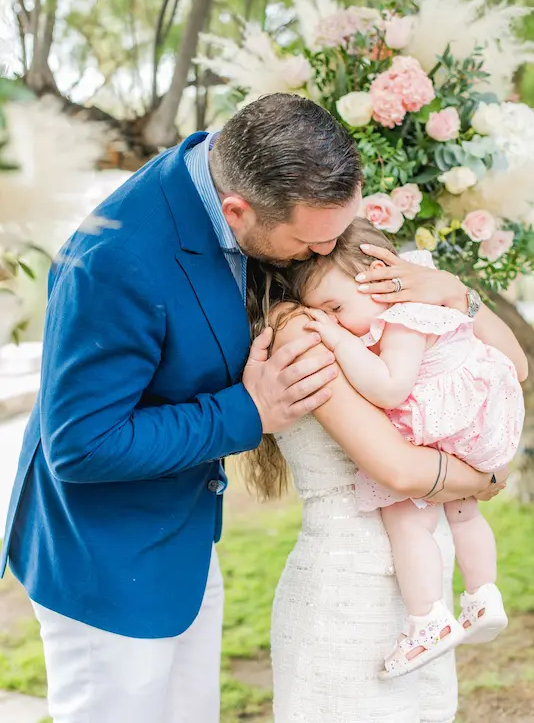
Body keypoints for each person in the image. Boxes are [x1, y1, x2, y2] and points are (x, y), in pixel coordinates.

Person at [0, 94, 364, 723]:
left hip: (183, 539)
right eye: (311, 245)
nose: (323, 254)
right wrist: (250, 410)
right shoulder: (116, 263)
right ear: (236, 211)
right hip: (106, 567)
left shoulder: (232, 168)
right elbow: (81, 445)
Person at [244, 222, 510, 722]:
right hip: (352, 579)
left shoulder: (369, 311)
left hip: (422, 577)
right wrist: (483, 480)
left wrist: (456, 293)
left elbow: (513, 364)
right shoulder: (304, 324)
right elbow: (398, 470)